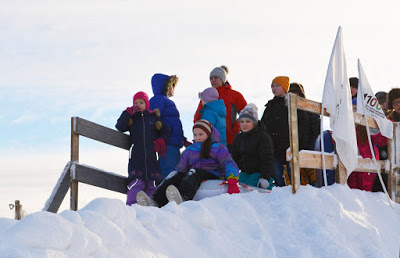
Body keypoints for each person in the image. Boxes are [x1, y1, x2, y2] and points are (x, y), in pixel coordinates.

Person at [136, 119, 240, 207]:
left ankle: (183, 196)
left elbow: (229, 163)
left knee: (193, 172)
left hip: (213, 174)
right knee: (175, 174)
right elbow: (181, 167)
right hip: (195, 173)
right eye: (195, 134)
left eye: (201, 134)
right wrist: (177, 176)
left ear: (208, 135)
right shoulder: (190, 149)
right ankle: (154, 200)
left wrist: (232, 179)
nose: (197, 137)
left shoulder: (218, 148)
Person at [116, 91, 170, 205]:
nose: (138, 104)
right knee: (136, 183)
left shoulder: (153, 118)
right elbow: (119, 127)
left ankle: (151, 205)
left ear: (146, 104)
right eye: (136, 102)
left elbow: (166, 131)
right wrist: (127, 113)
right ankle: (132, 205)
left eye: (141, 102)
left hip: (151, 158)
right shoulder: (132, 119)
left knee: (152, 184)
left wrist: (161, 141)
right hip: (137, 158)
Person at [261, 76, 310, 187]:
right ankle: (281, 197)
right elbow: (263, 126)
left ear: (284, 87)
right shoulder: (269, 106)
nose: (274, 88)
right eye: (272, 86)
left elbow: (303, 125)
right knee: (278, 176)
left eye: (277, 85)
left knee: (293, 176)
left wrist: (300, 144)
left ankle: (297, 196)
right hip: (275, 148)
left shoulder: (293, 104)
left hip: (290, 147)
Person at [194, 65, 247, 151]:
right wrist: (200, 132)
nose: (213, 80)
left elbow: (246, 113)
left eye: (216, 77)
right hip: (209, 141)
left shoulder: (235, 95)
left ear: (223, 79)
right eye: (211, 78)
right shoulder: (206, 97)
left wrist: (236, 127)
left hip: (231, 140)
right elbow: (197, 117)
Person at [149, 73, 190, 179]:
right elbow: (153, 119)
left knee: (174, 170)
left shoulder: (166, 101)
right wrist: (160, 137)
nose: (173, 88)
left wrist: (183, 140)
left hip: (174, 143)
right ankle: (163, 193)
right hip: (166, 143)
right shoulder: (158, 100)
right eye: (170, 85)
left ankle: (169, 192)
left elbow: (174, 124)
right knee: (169, 171)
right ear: (164, 86)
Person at [347, 98, 388, 192]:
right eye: (353, 108)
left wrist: (384, 128)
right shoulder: (347, 126)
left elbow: (381, 141)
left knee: (366, 190)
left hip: (368, 163)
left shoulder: (368, 125)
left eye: (358, 109)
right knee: (353, 190)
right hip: (352, 163)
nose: (355, 112)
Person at [231, 103, 274, 190]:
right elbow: (234, 159)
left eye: (248, 121)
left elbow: (267, 159)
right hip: (245, 172)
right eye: (242, 122)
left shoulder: (262, 137)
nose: (244, 124)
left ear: (254, 123)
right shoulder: (238, 138)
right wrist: (230, 174)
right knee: (239, 185)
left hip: (259, 173)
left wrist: (265, 177)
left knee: (251, 186)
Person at [289, 82, 320, 150]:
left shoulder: (311, 110)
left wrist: (309, 148)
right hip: (289, 149)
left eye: (295, 93)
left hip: (307, 149)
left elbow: (316, 131)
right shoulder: (286, 111)